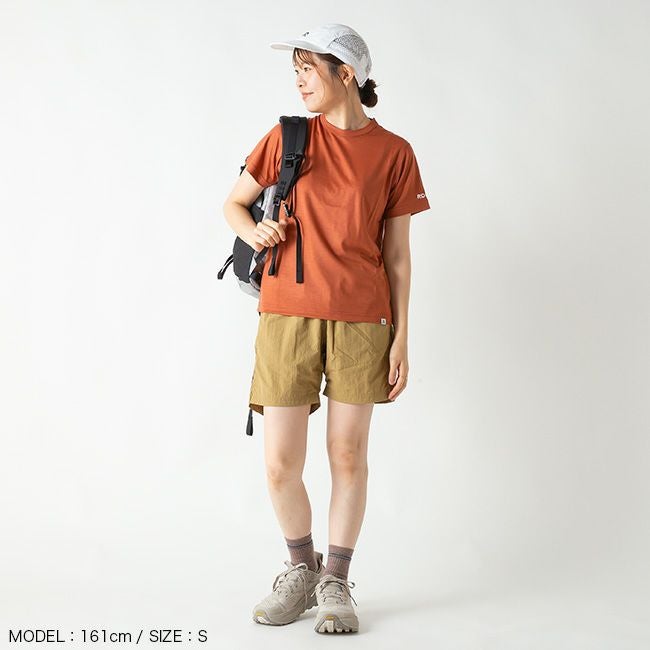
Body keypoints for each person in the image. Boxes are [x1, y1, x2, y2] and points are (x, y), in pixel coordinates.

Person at [222, 23, 431, 634]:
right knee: (280, 463)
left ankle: (336, 579)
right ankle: (301, 569)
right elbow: (234, 203)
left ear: (346, 73)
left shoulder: (394, 153)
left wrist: (402, 336)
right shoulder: (288, 137)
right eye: (295, 70)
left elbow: (397, 255)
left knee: (347, 454)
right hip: (285, 314)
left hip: (363, 318)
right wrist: (254, 230)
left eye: (307, 69)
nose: (298, 81)